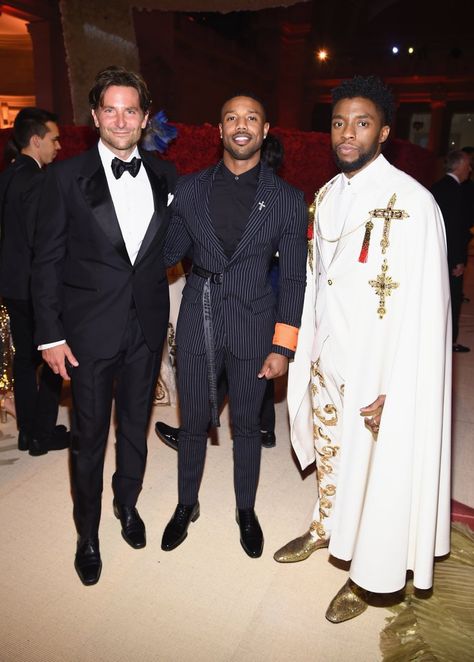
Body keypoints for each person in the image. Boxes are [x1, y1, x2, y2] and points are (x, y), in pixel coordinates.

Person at [274, 75, 451, 623]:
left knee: (378, 471)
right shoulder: (327, 194)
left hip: (378, 370)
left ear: (386, 131)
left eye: (362, 123)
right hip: (329, 357)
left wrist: (398, 387)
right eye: (338, 122)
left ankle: (369, 577)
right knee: (332, 452)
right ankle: (327, 526)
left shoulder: (415, 203)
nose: (347, 134)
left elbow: (430, 310)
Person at [32, 66, 177, 586]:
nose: (120, 119)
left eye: (130, 110)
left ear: (143, 119)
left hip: (145, 327)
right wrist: (50, 335)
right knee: (88, 437)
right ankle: (87, 533)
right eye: (110, 109)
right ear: (95, 116)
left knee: (134, 429)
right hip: (86, 334)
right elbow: (45, 260)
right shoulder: (65, 177)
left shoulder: (166, 175)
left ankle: (127, 504)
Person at [161, 95, 307, 558]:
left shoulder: (287, 199)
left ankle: (246, 509)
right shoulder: (189, 189)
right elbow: (165, 254)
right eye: (231, 118)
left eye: (251, 119)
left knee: (246, 424)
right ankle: (187, 503)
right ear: (219, 130)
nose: (241, 126)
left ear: (265, 131)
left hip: (254, 320)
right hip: (198, 315)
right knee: (193, 421)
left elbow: (295, 278)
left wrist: (283, 346)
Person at [154, 133, 286, 452]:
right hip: (267, 287)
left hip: (248, 288)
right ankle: (263, 428)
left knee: (229, 359)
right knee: (256, 356)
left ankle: (196, 430)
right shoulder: (274, 193)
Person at [0, 107, 68, 456]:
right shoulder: (42, 180)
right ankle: (42, 432)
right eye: (54, 139)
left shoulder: (7, 177)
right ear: (36, 140)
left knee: (25, 360)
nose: (58, 146)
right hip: (37, 286)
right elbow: (44, 240)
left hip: (10, 284)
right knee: (58, 357)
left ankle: (28, 432)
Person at [431, 149, 472, 352]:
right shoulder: (456, 191)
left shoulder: (436, 187)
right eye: (468, 165)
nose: (470, 170)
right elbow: (455, 228)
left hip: (436, 254)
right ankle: (450, 341)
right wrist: (458, 260)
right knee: (452, 299)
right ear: (460, 166)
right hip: (450, 256)